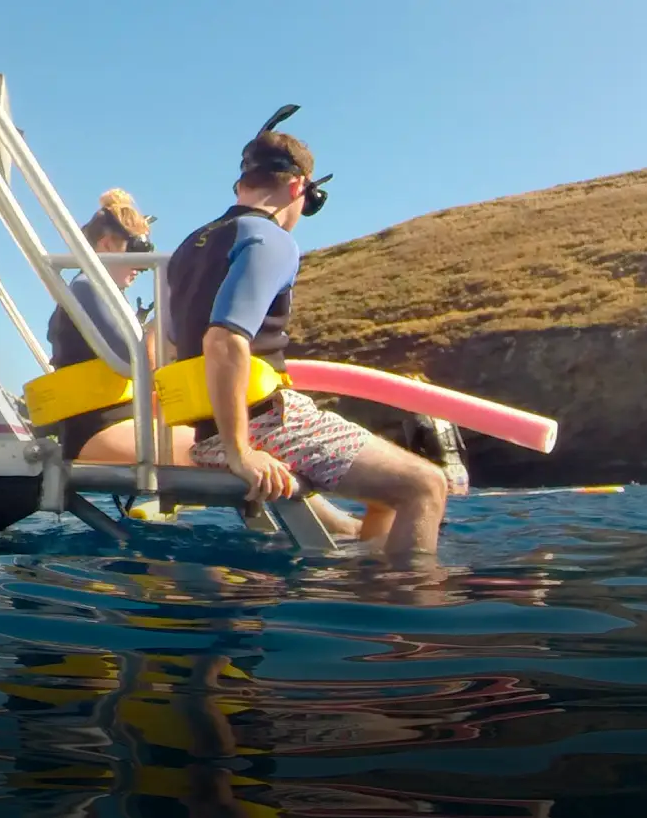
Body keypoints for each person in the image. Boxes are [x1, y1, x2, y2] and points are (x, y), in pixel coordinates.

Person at [163, 105, 449, 555]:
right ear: (298, 186)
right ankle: (411, 614)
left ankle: (366, 593)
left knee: (385, 499)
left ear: (242, 184)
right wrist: (241, 451)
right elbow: (224, 340)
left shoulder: (187, 247)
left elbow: (170, 343)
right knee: (426, 485)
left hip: (210, 432)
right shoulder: (268, 238)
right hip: (262, 425)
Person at [45, 189, 198, 465]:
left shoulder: (102, 293)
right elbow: (135, 364)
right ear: (106, 245)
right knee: (220, 450)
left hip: (120, 422)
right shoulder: (87, 288)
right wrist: (164, 318)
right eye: (138, 250)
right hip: (99, 432)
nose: (141, 265)